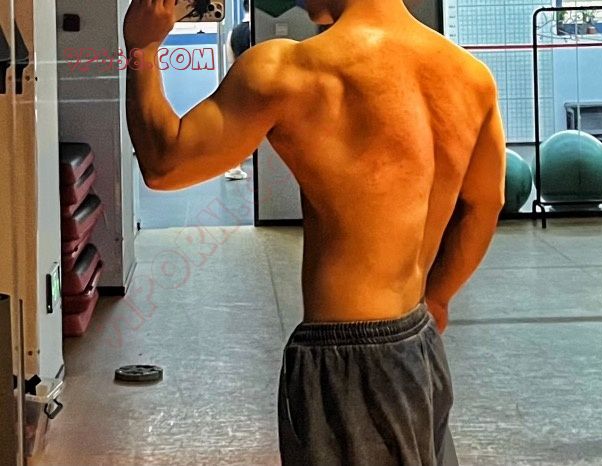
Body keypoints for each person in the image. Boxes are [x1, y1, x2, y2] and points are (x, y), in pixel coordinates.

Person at [123, 0, 505, 464]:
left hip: (349, 361)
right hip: (421, 343)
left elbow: (164, 164)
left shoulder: (288, 70)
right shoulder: (470, 76)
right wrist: (438, 297)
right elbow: (485, 203)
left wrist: (142, 48)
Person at [224, 0, 252, 180]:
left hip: (240, 84)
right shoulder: (257, 32)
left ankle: (235, 164)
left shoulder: (233, 32)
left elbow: (231, 61)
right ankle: (234, 165)